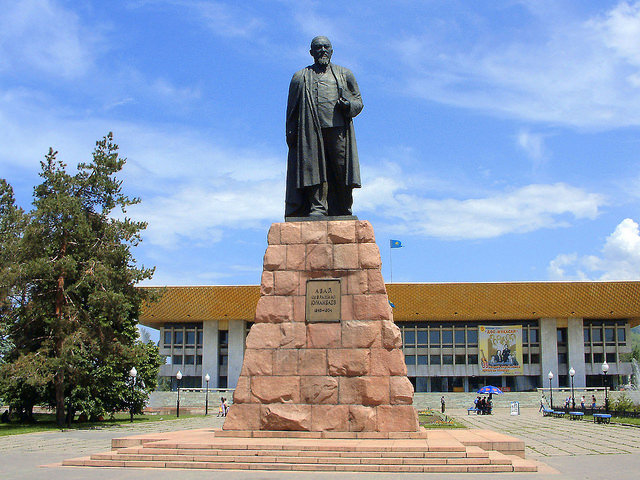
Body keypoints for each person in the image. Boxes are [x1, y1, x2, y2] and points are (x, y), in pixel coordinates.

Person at [285, 36, 363, 218]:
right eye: (318, 47)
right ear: (311, 52)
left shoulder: (345, 74)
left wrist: (348, 106)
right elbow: (292, 110)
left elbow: (358, 101)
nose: (322, 50)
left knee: (341, 169)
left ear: (332, 51)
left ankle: (343, 207)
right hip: (310, 130)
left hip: (338, 130)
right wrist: (291, 134)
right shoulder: (300, 77)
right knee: (313, 169)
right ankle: (317, 207)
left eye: (326, 47)